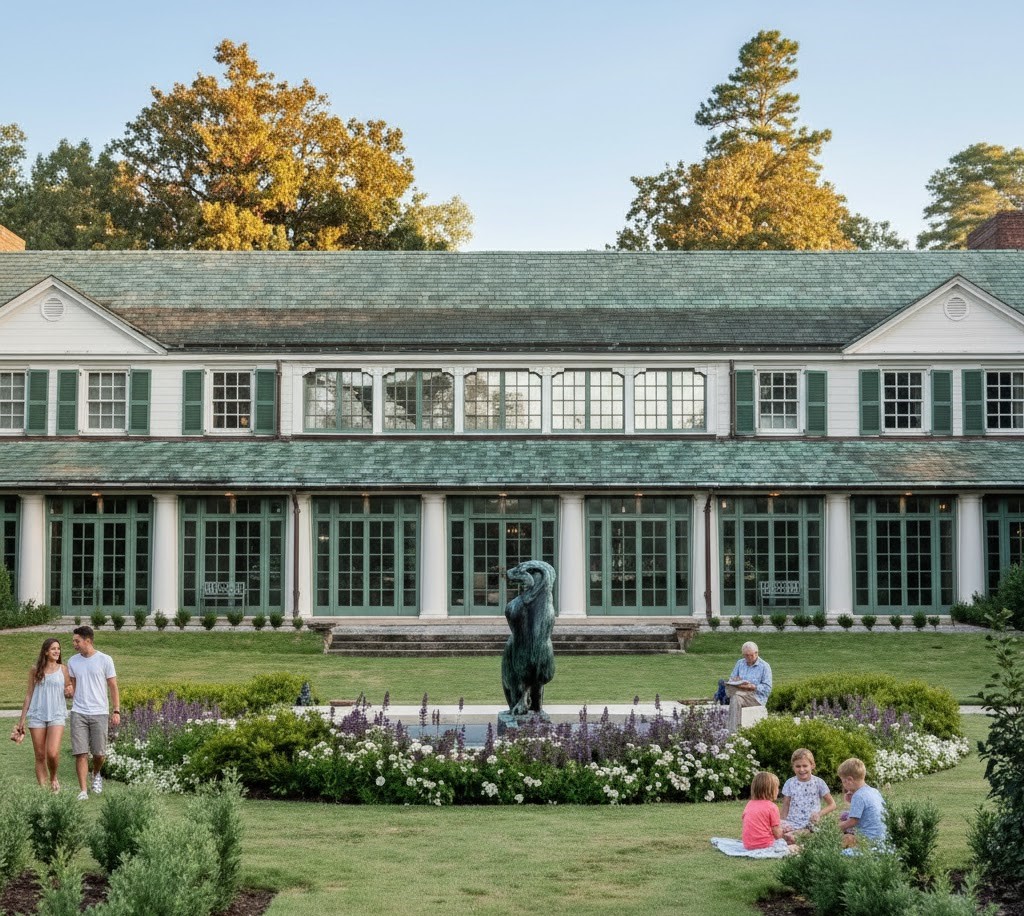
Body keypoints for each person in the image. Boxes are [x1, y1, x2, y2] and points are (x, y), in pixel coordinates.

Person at [67, 625, 120, 801]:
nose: (74, 644)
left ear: (88, 640)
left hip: (99, 712)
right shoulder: (72, 661)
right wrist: (68, 692)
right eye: (74, 641)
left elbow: (113, 686)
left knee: (99, 754)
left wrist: (116, 710)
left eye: (77, 641)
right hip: (79, 712)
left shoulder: (105, 660)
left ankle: (96, 774)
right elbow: (73, 687)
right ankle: (83, 790)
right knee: (80, 753)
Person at [15, 638, 71, 791]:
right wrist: (21, 721)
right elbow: (29, 695)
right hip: (37, 715)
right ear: (46, 652)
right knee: (40, 755)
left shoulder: (63, 669)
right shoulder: (35, 670)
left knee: (52, 753)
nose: (57, 651)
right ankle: (44, 791)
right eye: (53, 648)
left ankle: (53, 777)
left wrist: (69, 691)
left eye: (58, 648)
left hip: (57, 714)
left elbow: (69, 689)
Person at [780, 748, 836, 836]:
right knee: (783, 836)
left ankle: (799, 836)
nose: (801, 769)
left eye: (805, 766)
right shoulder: (789, 783)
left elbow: (832, 804)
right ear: (793, 767)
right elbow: (785, 805)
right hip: (792, 823)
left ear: (812, 765)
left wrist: (819, 814)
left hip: (811, 824)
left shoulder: (819, 782)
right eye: (798, 766)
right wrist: (782, 823)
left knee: (805, 834)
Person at [837, 757, 886, 848]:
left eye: (843, 781)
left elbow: (852, 822)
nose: (843, 785)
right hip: (883, 838)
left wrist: (835, 828)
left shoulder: (858, 796)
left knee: (840, 841)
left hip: (868, 840)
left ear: (850, 780)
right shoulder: (874, 791)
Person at [724, 641, 772, 733]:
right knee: (733, 692)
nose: (749, 658)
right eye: (746, 655)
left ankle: (733, 731)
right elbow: (732, 678)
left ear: (756, 653)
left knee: (736, 698)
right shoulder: (740, 663)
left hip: (756, 697)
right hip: (740, 692)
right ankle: (733, 728)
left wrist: (753, 686)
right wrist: (735, 681)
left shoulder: (764, 666)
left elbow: (767, 689)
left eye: (751, 655)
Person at [742, 771, 792, 850]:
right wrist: (783, 833)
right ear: (771, 790)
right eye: (777, 787)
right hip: (765, 845)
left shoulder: (749, 804)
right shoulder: (772, 807)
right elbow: (777, 834)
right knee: (793, 844)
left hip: (748, 845)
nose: (778, 790)